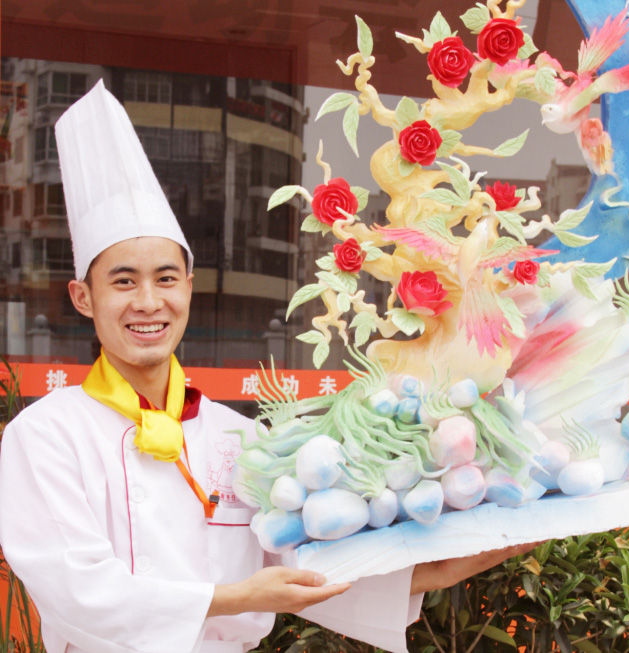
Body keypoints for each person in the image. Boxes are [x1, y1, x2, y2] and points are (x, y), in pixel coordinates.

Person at [0, 81, 535, 653]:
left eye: (165, 278)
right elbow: (78, 592)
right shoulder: (45, 435)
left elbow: (311, 567)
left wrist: (466, 552)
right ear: (83, 297)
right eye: (123, 281)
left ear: (189, 288)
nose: (148, 302)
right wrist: (238, 597)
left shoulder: (240, 441)